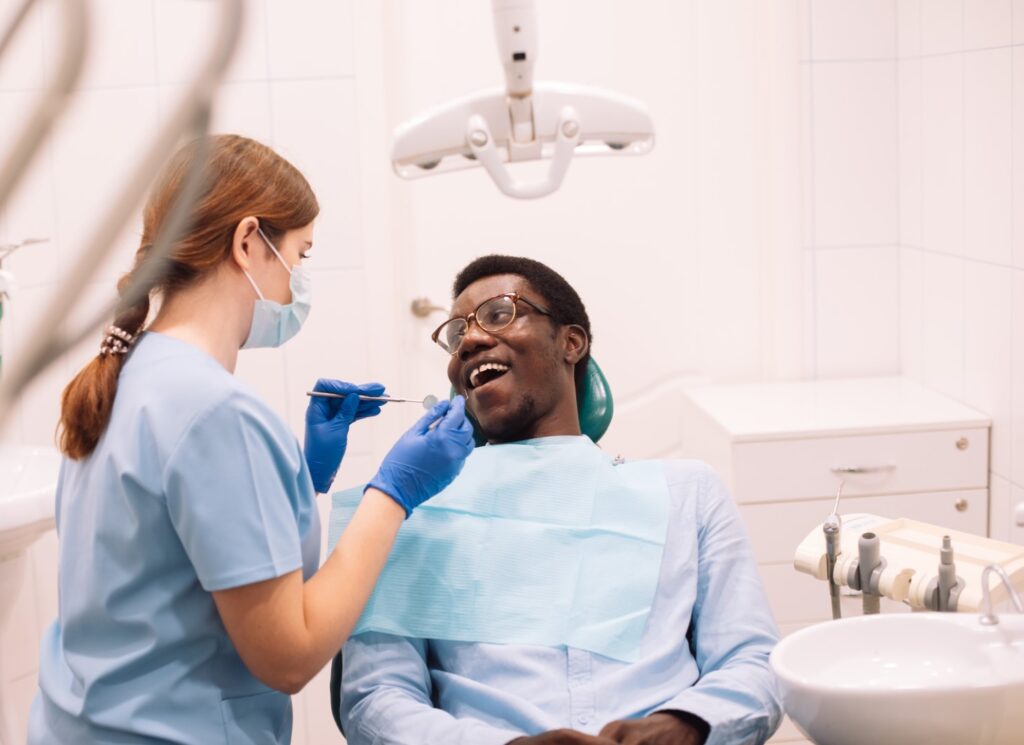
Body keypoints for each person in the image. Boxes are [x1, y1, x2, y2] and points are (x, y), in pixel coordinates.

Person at [27, 134, 474, 745]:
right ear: (247, 242)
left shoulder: (130, 377)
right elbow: (288, 656)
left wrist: (303, 481)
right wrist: (392, 492)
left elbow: (177, 555)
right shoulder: (214, 411)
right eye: (301, 254)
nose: (300, 282)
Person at [337, 255, 782, 745]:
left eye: (499, 313)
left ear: (571, 343)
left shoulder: (686, 492)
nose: (471, 340)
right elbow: (375, 699)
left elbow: (753, 662)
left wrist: (684, 726)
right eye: (456, 333)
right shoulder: (409, 514)